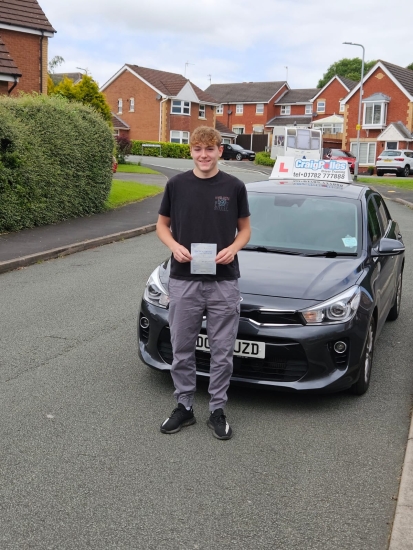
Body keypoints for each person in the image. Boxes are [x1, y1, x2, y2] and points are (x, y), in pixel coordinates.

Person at [156, 126, 251, 440]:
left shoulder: (235, 186)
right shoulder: (176, 185)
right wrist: (174, 246)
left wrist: (232, 249)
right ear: (191, 152)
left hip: (224, 281)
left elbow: (245, 231)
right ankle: (184, 406)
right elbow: (161, 226)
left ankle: (217, 410)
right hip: (184, 280)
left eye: (209, 149)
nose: (204, 155)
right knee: (182, 348)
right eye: (198, 149)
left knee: (222, 351)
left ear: (220, 151)